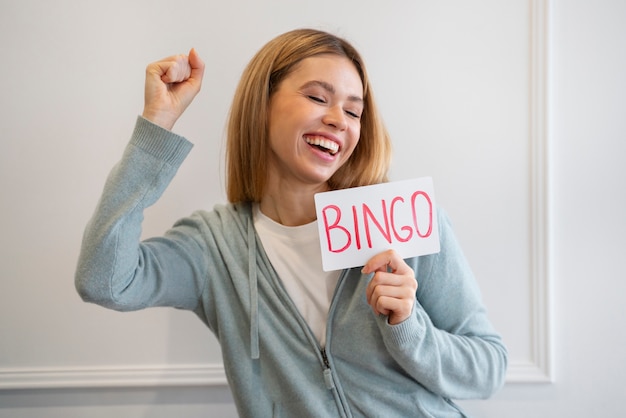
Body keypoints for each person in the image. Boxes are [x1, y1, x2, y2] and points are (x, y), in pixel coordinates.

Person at [75, 28, 507, 417]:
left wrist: (409, 329)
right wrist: (157, 126)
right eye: (318, 98)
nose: (339, 119)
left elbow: (488, 369)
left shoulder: (403, 219)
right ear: (262, 106)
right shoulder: (213, 246)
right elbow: (105, 281)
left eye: (354, 112)